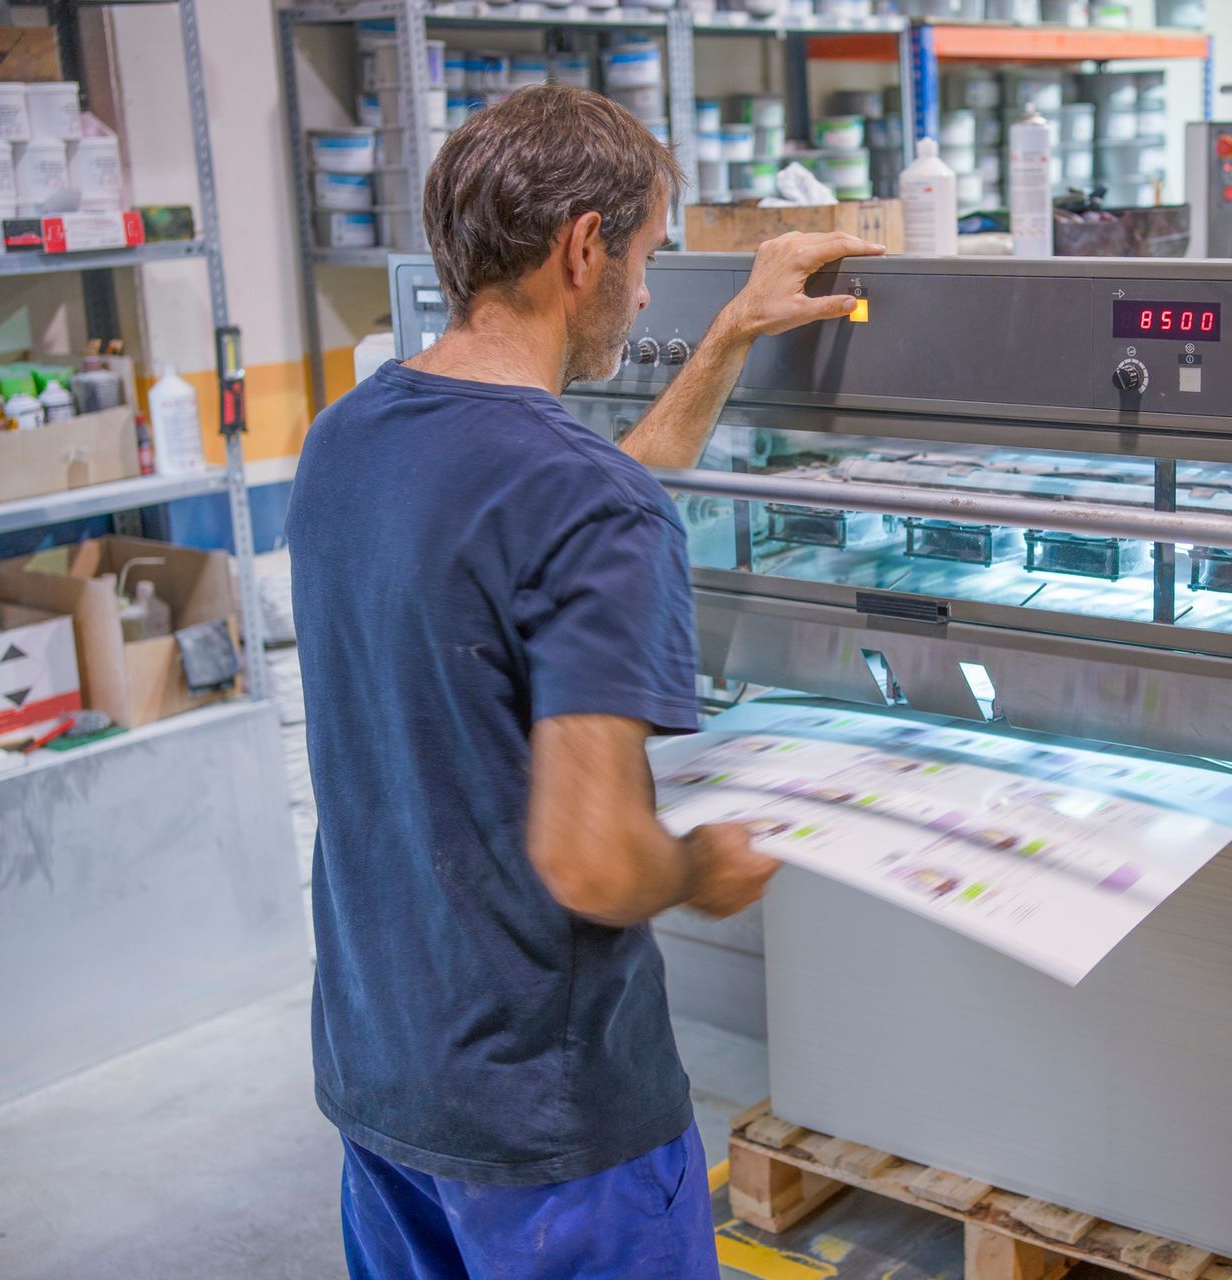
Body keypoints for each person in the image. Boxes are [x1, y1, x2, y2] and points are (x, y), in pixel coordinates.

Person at [286, 84, 884, 1279]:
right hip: (548, 1124)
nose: (653, 291)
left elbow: (567, 504)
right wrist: (705, 866)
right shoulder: (582, 504)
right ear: (582, 247)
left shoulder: (350, 434)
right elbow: (596, 856)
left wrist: (726, 342)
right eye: (651, 253)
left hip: (380, 1069)